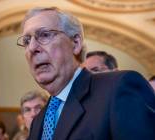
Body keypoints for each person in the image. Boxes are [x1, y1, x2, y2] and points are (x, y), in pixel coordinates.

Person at [16, 7, 155, 140]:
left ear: (75, 43)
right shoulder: (39, 121)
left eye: (45, 35)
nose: (32, 48)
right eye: (27, 41)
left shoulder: (118, 88)